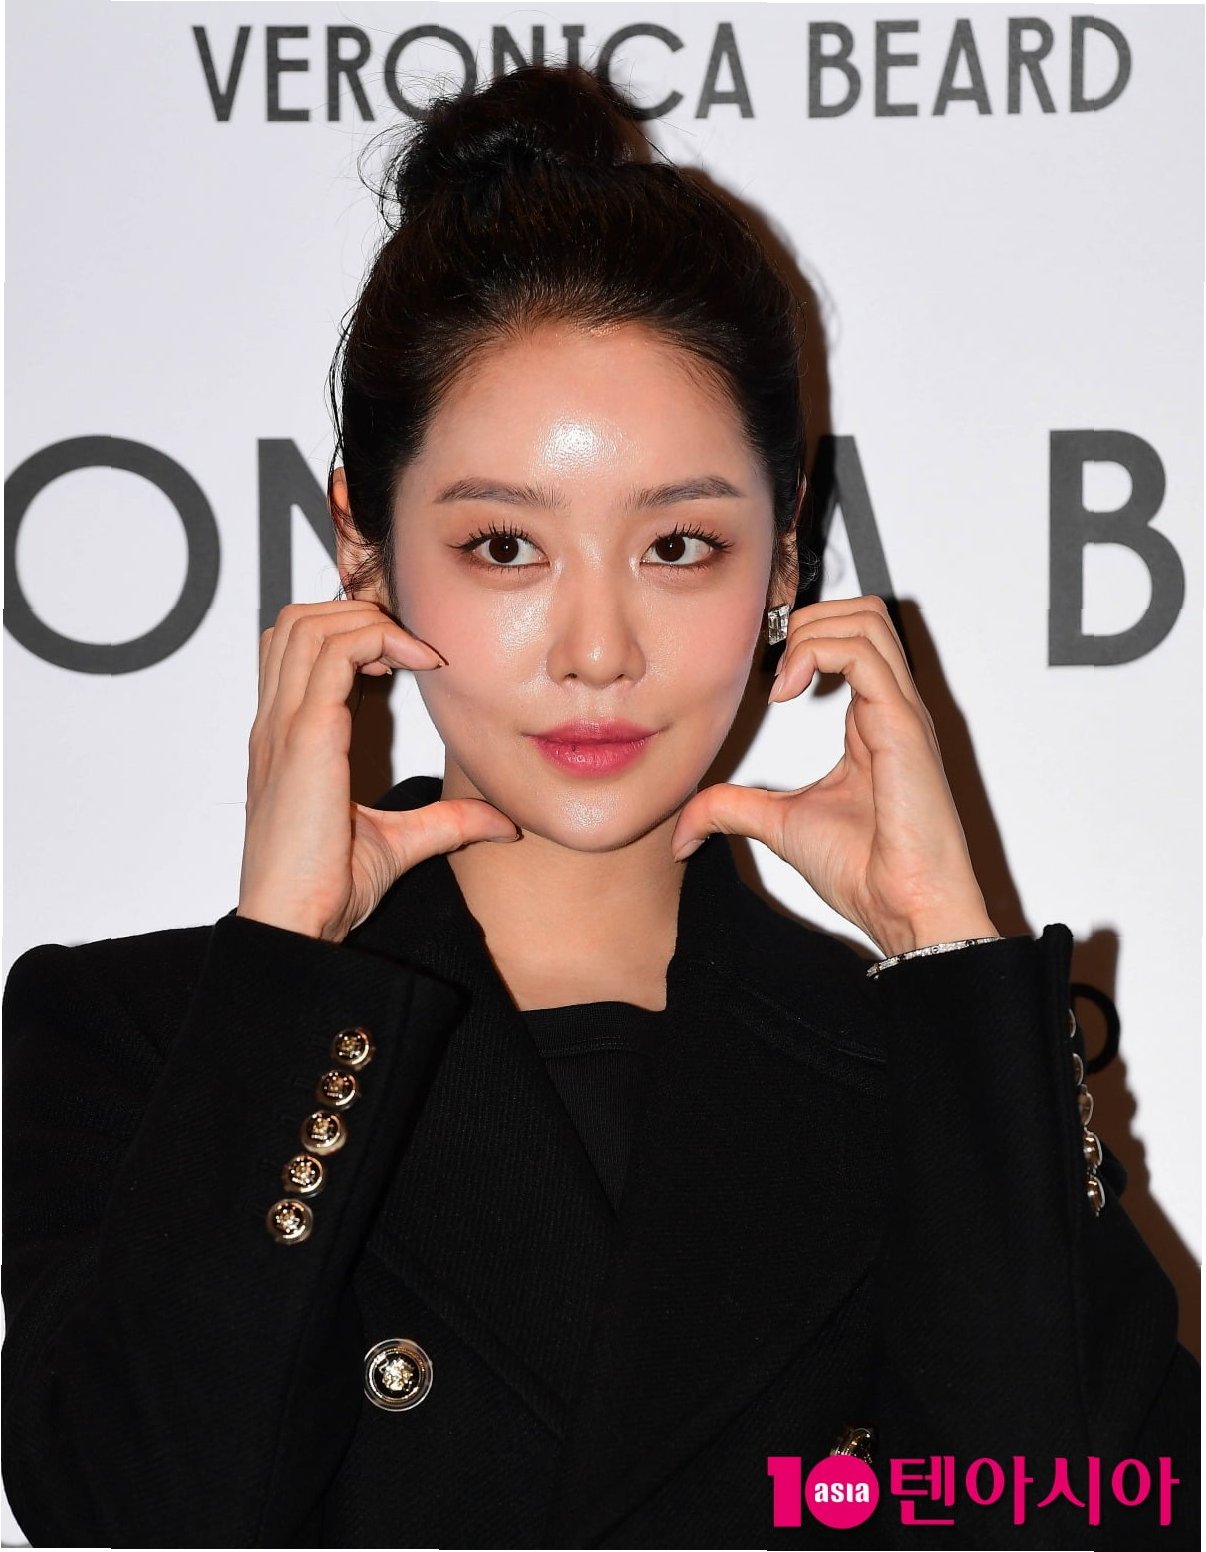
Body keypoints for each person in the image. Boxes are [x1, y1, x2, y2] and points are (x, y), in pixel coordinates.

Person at [1, 62, 1197, 1552]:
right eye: (504, 546)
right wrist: (288, 963)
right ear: (361, 547)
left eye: (679, 545)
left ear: (785, 558)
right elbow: (131, 1510)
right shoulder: (150, 1044)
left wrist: (951, 956)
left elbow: (1089, 1519)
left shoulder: (928, 1082)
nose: (596, 651)